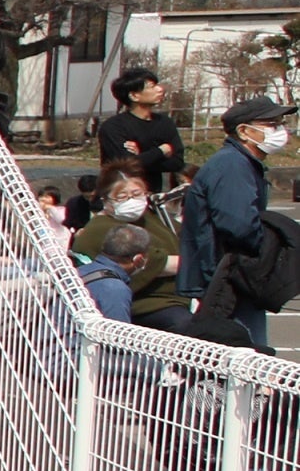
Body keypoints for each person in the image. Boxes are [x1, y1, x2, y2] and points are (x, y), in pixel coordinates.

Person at [183, 96, 286, 351]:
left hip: (232, 278)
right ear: (244, 131)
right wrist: (267, 249)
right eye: (272, 124)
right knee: (243, 356)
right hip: (226, 281)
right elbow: (239, 226)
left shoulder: (239, 162)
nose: (280, 130)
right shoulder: (232, 165)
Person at [71, 163, 183, 329]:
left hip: (176, 296)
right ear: (106, 200)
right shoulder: (100, 228)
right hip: (140, 301)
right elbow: (158, 262)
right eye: (122, 197)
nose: (131, 201)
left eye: (137, 194)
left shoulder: (150, 217)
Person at [93, 70, 185, 197]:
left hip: (153, 195)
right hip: (120, 197)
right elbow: (125, 166)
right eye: (152, 87)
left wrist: (140, 157)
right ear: (134, 96)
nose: (160, 89)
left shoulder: (165, 123)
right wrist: (161, 151)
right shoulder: (114, 127)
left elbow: (177, 162)